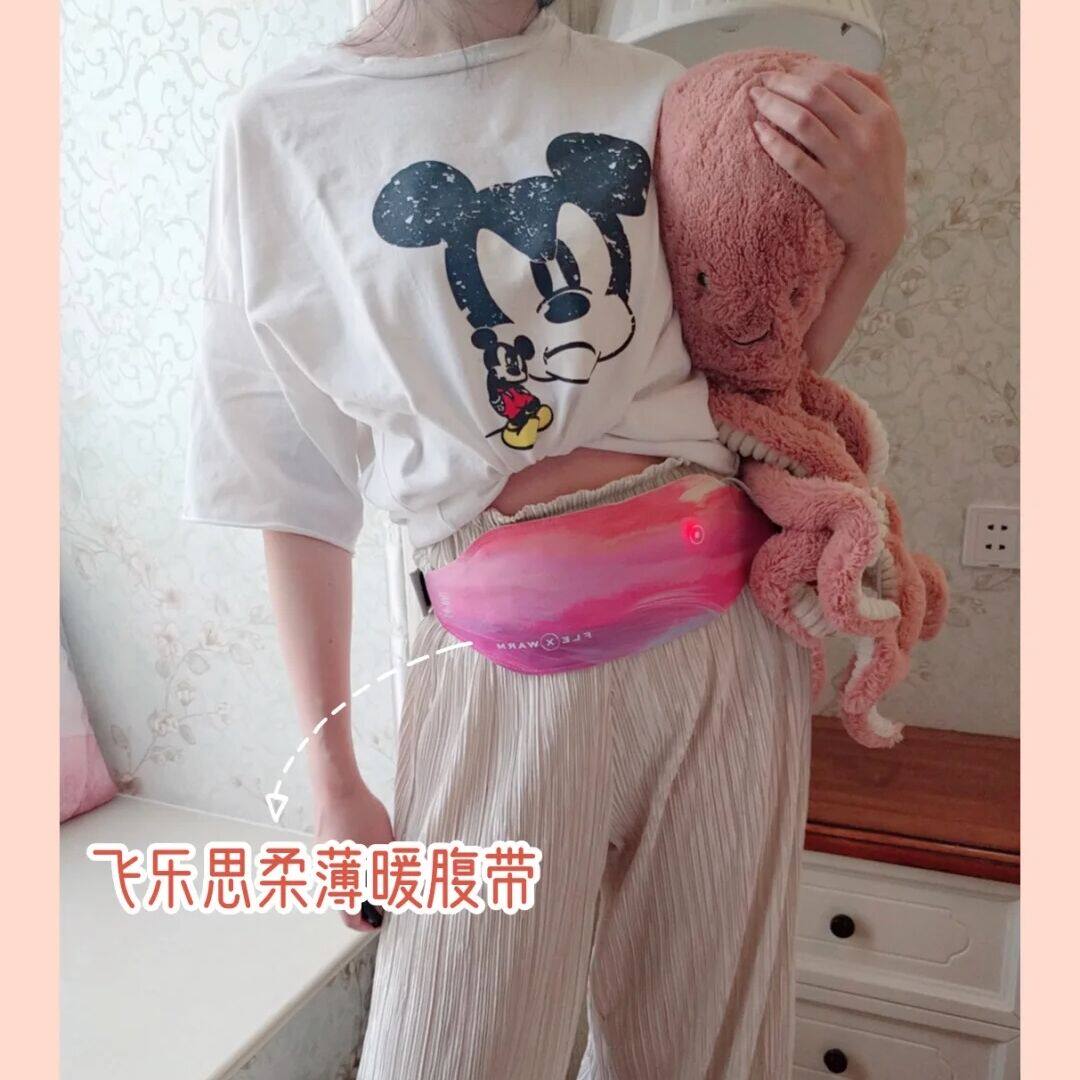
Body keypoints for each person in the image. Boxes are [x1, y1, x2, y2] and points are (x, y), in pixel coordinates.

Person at [182, 2, 907, 1076]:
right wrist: (332, 778)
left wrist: (874, 241)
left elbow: (758, 381)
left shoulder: (654, 93)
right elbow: (291, 481)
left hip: (724, 650)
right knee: (448, 1048)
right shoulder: (279, 130)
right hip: (496, 665)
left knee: (708, 1056)